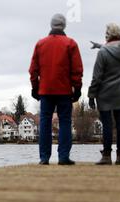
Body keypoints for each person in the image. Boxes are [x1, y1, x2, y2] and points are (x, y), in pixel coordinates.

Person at [29, 14, 84, 165]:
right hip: (64, 90)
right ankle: (63, 156)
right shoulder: (70, 44)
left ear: (51, 26)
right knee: (65, 121)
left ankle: (44, 158)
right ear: (64, 26)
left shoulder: (40, 44)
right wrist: (77, 88)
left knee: (45, 122)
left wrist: (35, 87)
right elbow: (77, 69)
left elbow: (33, 69)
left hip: (45, 90)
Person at [88, 23, 120, 165]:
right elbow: (113, 49)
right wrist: (100, 45)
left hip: (105, 94)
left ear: (108, 35)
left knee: (107, 124)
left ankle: (106, 156)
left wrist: (91, 95)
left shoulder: (103, 53)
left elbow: (97, 77)